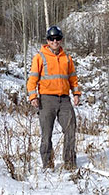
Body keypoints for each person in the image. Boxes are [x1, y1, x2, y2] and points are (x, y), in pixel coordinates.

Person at [27, 25, 81, 170]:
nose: (55, 41)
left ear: (61, 40)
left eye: (57, 38)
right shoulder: (39, 57)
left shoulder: (67, 58)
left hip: (64, 100)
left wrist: (76, 94)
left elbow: (73, 79)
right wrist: (33, 96)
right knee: (46, 134)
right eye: (52, 39)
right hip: (46, 100)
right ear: (47, 40)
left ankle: (69, 163)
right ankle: (47, 164)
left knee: (70, 129)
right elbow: (32, 79)